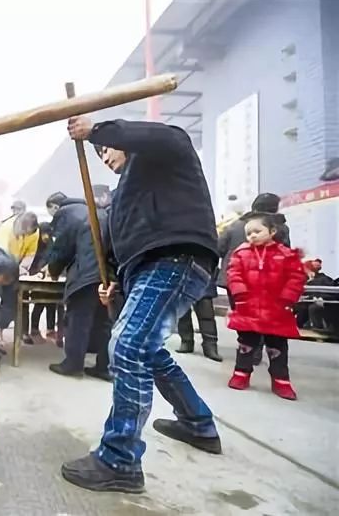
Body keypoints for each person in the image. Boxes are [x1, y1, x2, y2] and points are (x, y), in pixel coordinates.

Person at [61, 116, 222, 494]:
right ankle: (198, 423)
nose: (103, 155)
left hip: (176, 258)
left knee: (128, 347)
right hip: (149, 269)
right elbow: (125, 248)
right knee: (147, 350)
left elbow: (156, 135)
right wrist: (115, 283)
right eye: (97, 153)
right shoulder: (123, 196)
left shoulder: (165, 150)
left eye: (106, 148)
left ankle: (119, 460)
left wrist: (95, 130)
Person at [226, 215, 306, 400]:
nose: (252, 236)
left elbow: (296, 277)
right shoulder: (241, 252)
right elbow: (233, 273)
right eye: (248, 233)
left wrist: (288, 298)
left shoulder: (286, 254)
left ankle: (281, 380)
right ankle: (241, 374)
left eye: (257, 231)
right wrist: (240, 294)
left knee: (277, 346)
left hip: (277, 309)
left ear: (272, 232)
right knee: (246, 344)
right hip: (249, 307)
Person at [217, 192, 291, 366]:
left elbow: (219, 248)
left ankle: (249, 351)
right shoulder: (279, 227)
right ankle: (259, 348)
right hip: (267, 280)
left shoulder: (235, 226)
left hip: (235, 280)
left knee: (242, 315)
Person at [46, 193, 111, 381]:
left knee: (77, 321)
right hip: (107, 275)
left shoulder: (68, 214)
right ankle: (104, 367)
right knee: (104, 321)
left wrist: (53, 270)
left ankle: (73, 365)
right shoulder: (100, 212)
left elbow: (61, 248)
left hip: (85, 275)